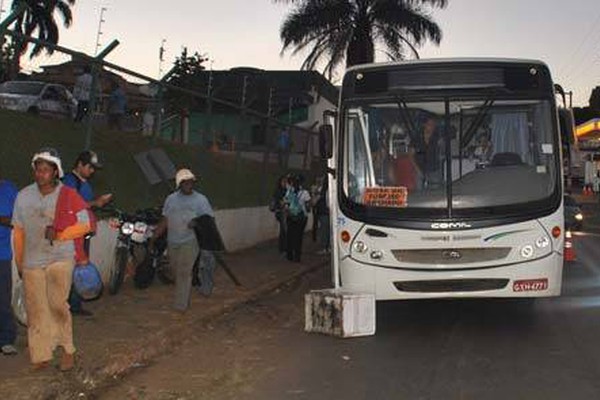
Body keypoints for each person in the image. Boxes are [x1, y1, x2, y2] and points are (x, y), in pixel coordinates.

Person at [12, 148, 92, 371]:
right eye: (38, 170)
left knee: (57, 304)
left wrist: (60, 234)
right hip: (32, 258)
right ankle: (41, 354)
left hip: (60, 256)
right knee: (36, 309)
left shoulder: (67, 194)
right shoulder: (24, 196)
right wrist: (19, 262)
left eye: (46, 170)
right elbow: (18, 231)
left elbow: (85, 224)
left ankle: (67, 349)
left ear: (56, 172)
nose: (40, 174)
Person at [151, 168, 216, 311]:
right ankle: (183, 293)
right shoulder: (171, 199)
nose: (188, 185)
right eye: (185, 182)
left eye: (190, 182)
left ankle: (180, 305)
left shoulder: (200, 200)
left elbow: (208, 219)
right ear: (179, 184)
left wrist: (196, 222)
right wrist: (154, 235)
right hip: (173, 241)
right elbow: (166, 219)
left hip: (190, 241)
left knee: (184, 271)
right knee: (175, 269)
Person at [62, 150, 112, 316]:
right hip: (71, 235)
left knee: (79, 268)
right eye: (90, 167)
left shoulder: (84, 184)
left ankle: (74, 304)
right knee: (71, 268)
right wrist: (96, 203)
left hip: (81, 233)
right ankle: (67, 304)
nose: (92, 171)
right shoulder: (70, 181)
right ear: (80, 165)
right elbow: (72, 206)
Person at [0, 167, 18, 356]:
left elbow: (19, 219)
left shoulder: (9, 190)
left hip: (2, 254)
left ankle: (6, 338)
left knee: (2, 299)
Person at [284, 174, 311, 262]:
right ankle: (297, 256)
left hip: (291, 216)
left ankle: (289, 255)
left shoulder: (289, 192)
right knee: (298, 237)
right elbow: (308, 207)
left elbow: (286, 204)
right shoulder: (305, 193)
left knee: (290, 236)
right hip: (301, 217)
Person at [414, 115, 443, 188]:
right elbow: (410, 154)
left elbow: (441, 153)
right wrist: (417, 169)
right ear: (424, 125)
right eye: (430, 124)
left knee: (435, 194)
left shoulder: (437, 138)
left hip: (434, 171)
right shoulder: (417, 138)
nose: (432, 127)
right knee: (419, 194)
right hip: (420, 171)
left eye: (433, 125)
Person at [270, 175, 289, 256]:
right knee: (284, 230)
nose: (285, 183)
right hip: (281, 212)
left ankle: (285, 248)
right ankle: (283, 248)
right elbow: (279, 202)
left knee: (285, 230)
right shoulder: (279, 191)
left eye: (286, 182)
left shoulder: (286, 190)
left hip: (285, 212)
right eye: (283, 182)